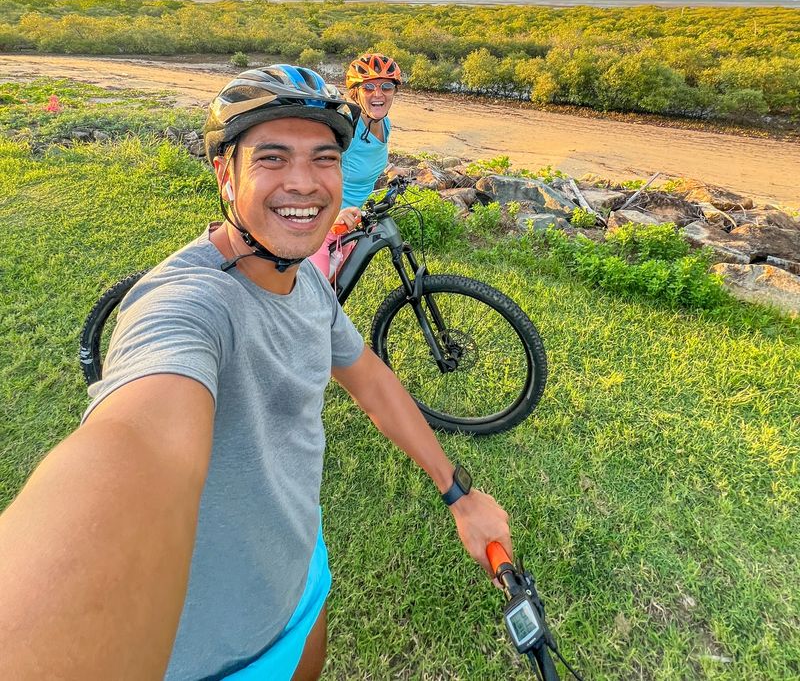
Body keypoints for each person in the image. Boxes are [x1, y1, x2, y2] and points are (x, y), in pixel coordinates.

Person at [0, 64, 511, 681]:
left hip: (298, 579)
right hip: (214, 660)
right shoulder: (188, 308)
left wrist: (458, 492)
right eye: (272, 157)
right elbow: (135, 446)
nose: (305, 183)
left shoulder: (307, 287)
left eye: (323, 159)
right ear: (226, 174)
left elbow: (370, 379)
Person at [309, 52, 402, 279]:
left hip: (351, 225)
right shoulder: (346, 125)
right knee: (311, 300)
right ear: (356, 93)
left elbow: (367, 156)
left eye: (386, 87)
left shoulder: (384, 123)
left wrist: (390, 169)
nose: (378, 94)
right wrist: (331, 213)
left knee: (335, 296)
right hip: (322, 227)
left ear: (394, 92)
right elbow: (311, 170)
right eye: (368, 88)